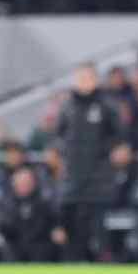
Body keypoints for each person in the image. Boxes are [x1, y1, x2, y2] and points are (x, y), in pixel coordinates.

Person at [55, 64, 124, 261]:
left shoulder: (107, 106)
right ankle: (75, 265)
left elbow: (120, 135)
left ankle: (103, 264)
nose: (83, 82)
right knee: (74, 229)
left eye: (87, 77)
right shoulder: (67, 107)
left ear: (95, 80)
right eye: (79, 78)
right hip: (73, 179)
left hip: (99, 179)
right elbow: (58, 136)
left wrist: (112, 151)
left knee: (99, 229)